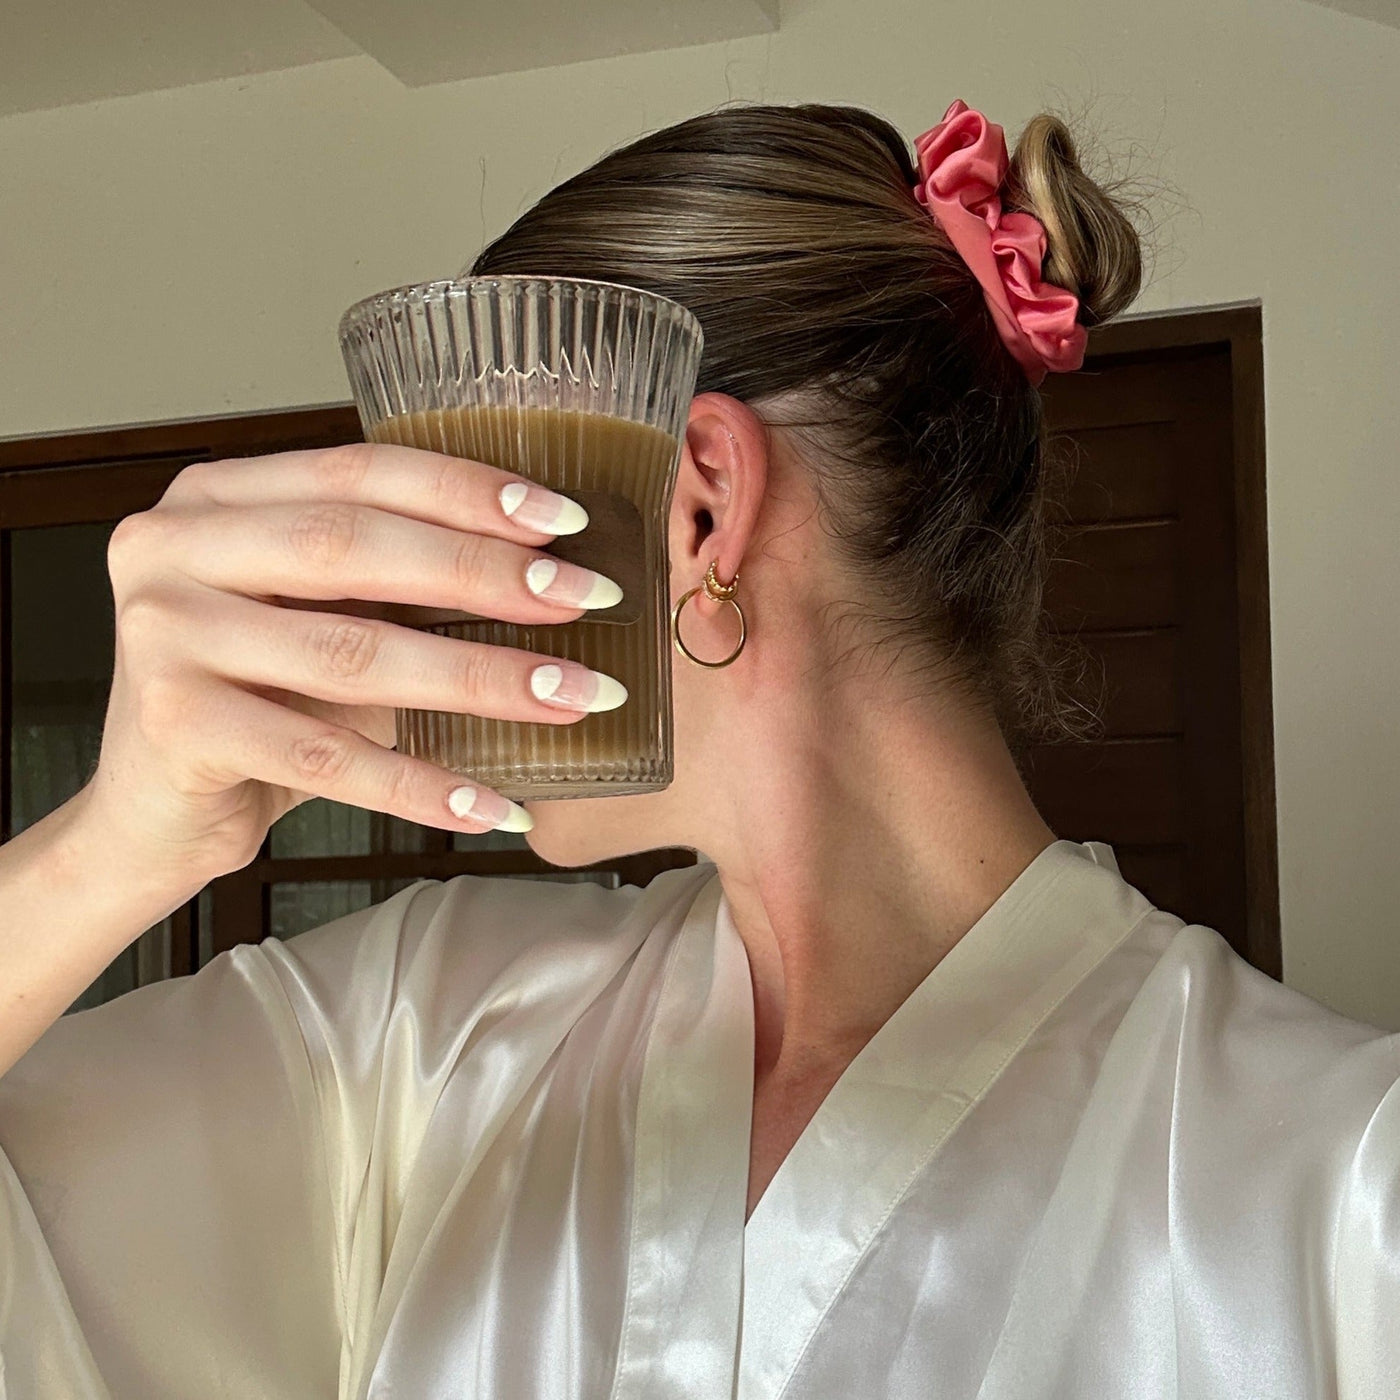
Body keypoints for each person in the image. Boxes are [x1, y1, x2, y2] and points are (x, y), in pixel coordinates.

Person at [0, 97, 1395, 1400]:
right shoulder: (419, 1036)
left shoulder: (1341, 1191)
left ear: (699, 512)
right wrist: (107, 846)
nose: (409, 602)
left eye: (458, 518)